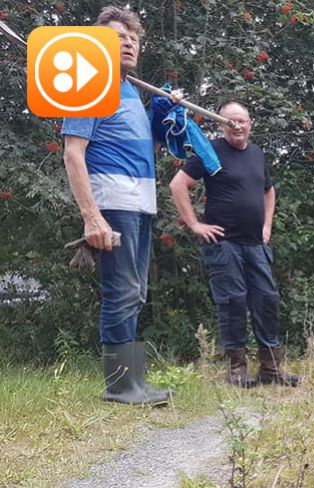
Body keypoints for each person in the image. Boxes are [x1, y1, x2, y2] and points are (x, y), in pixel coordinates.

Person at [62, 6, 179, 406]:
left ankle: (132, 382)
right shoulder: (88, 86)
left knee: (136, 291)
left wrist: (160, 119)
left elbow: (142, 149)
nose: (128, 43)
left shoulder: (129, 91)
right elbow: (73, 154)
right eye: (117, 37)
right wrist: (91, 216)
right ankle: (119, 387)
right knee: (122, 291)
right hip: (112, 199)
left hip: (140, 201)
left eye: (133, 39)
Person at [169, 102, 299, 388]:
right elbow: (178, 185)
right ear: (221, 124)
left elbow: (269, 190)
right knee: (233, 303)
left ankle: (270, 367)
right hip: (223, 244)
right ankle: (237, 368)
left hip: (256, 244)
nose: (237, 126)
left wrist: (267, 225)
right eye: (230, 122)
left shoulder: (256, 154)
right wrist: (194, 224)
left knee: (267, 299)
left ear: (250, 124)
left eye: (241, 121)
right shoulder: (210, 151)